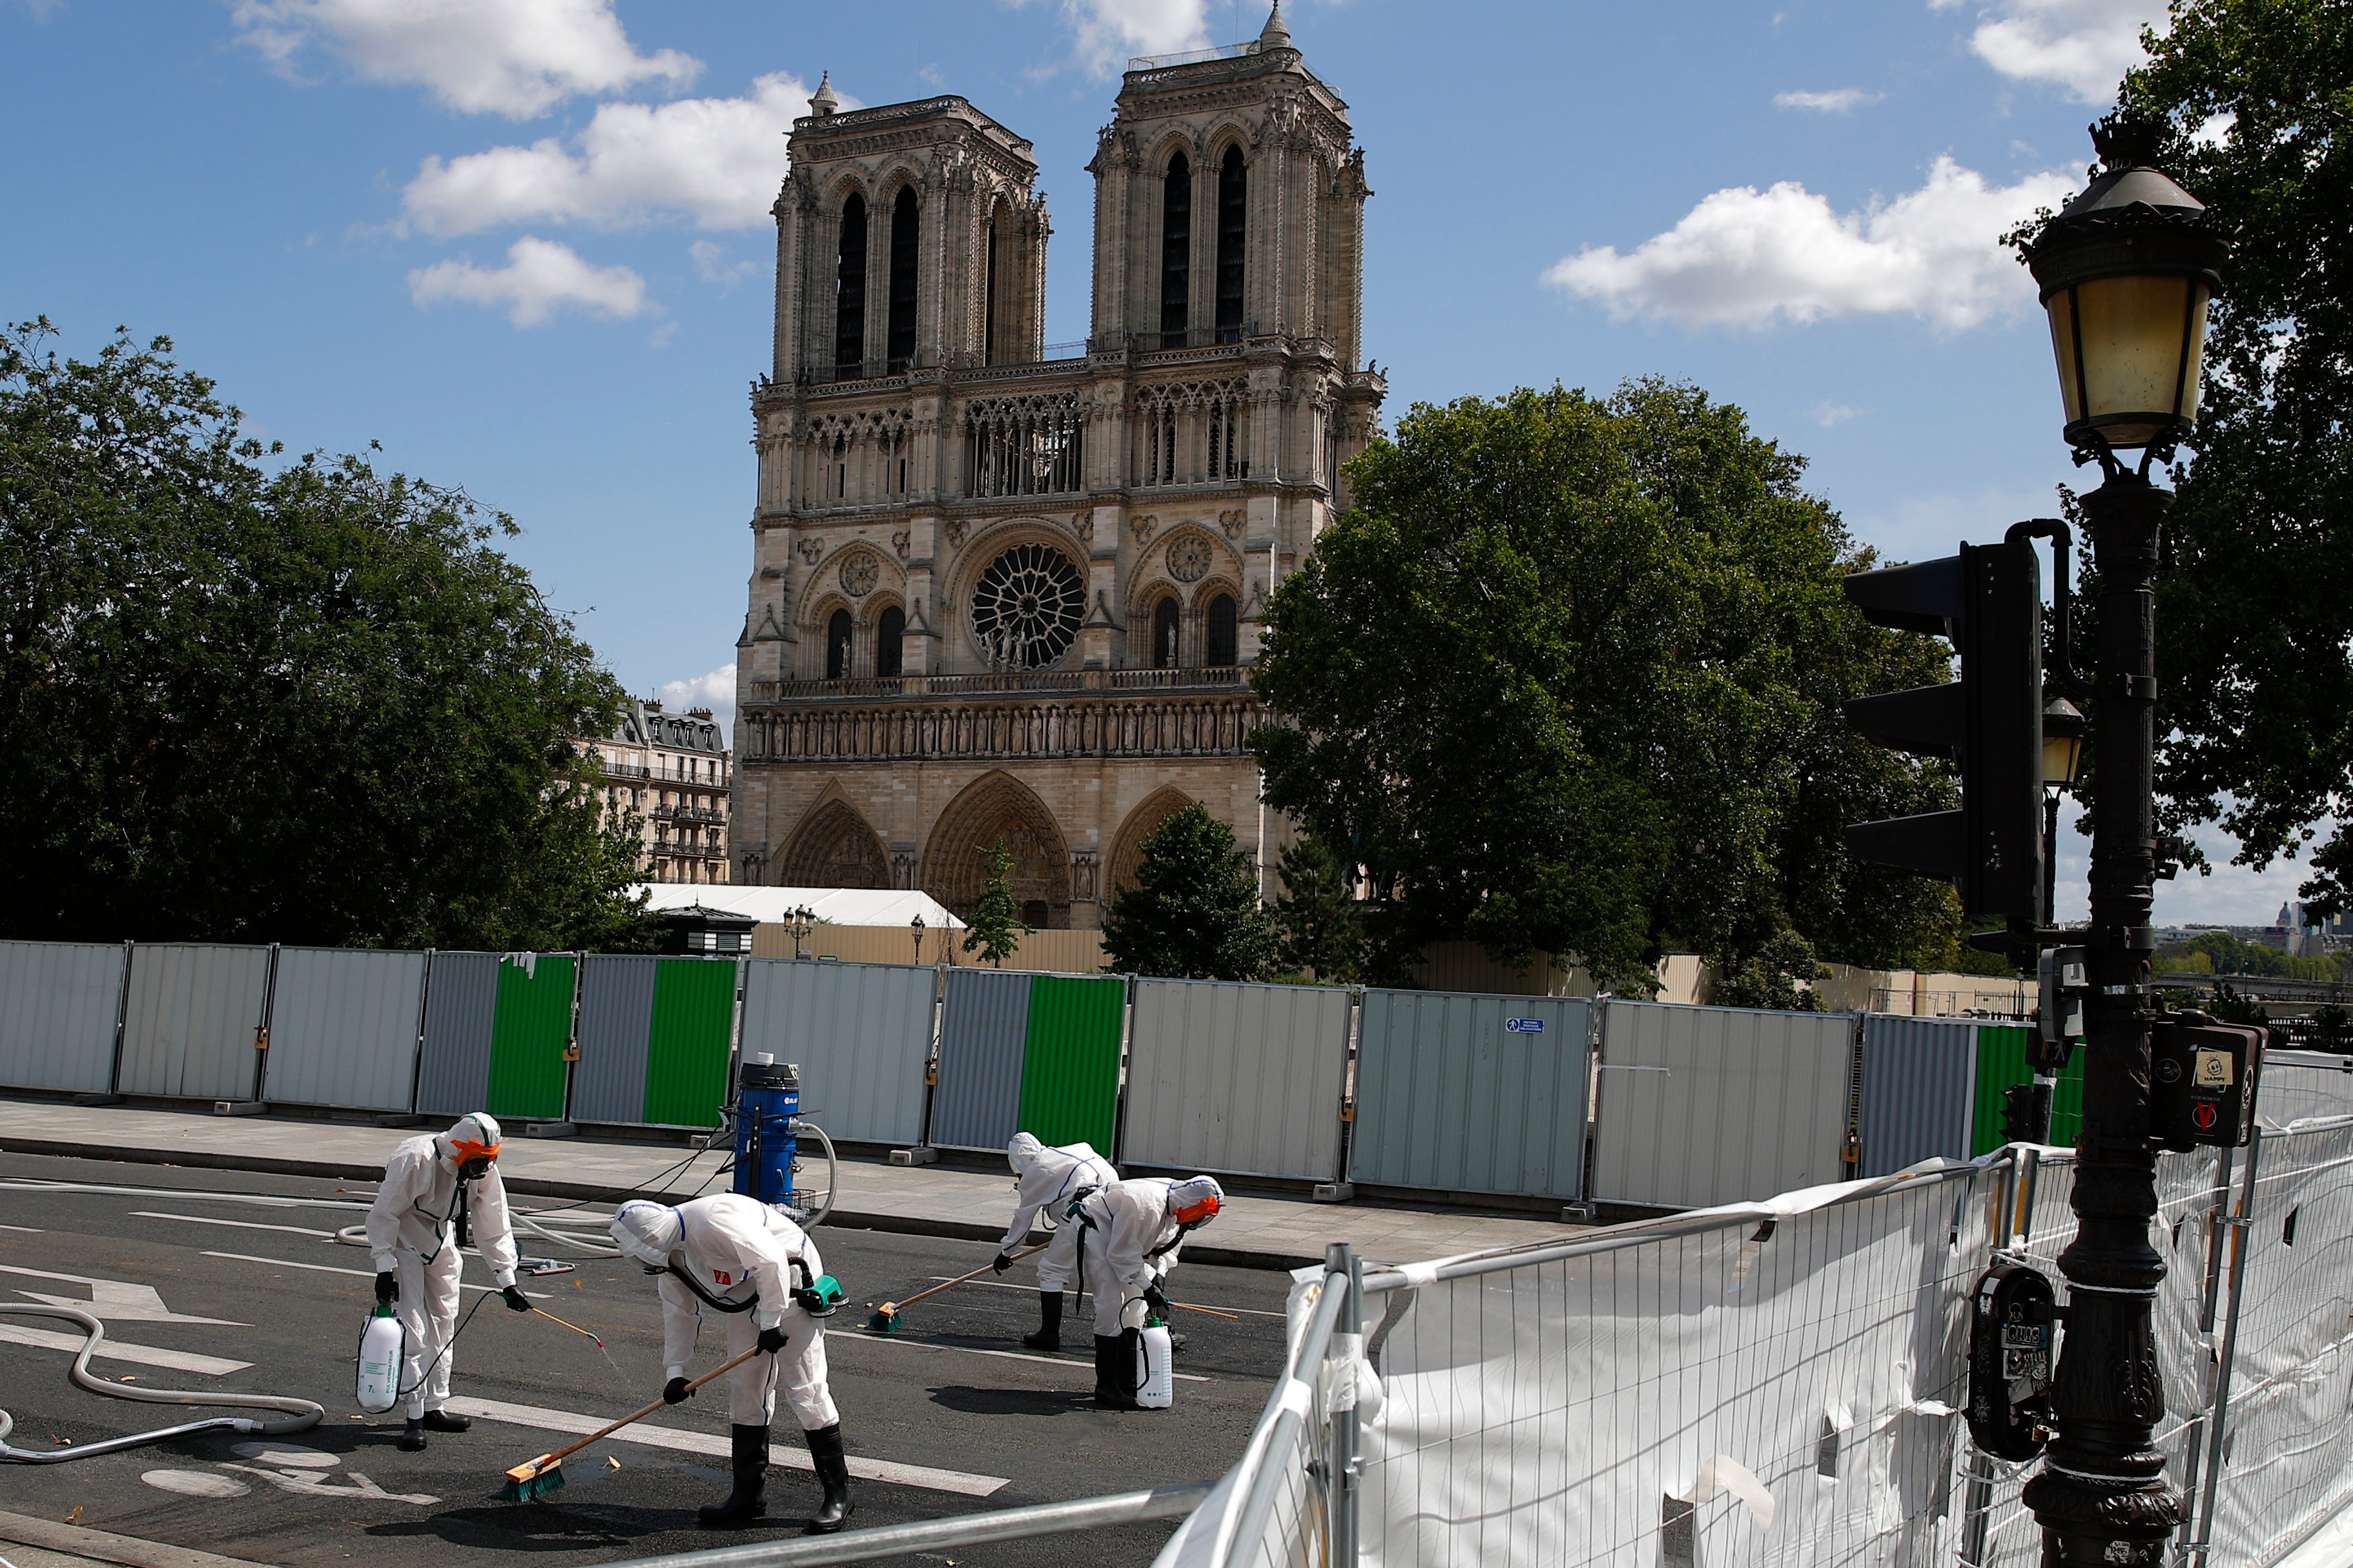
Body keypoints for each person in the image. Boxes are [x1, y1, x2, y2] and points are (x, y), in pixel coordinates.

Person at [610, 1195, 851, 1533]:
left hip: (791, 1279)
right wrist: (676, 1371)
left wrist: (770, 1324)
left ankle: (838, 1496)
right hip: (746, 1291)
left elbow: (771, 1263)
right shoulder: (671, 1257)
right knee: (744, 1384)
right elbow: (678, 1313)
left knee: (804, 1388)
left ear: (653, 1241)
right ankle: (748, 1496)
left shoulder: (713, 1221)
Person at [365, 1112, 531, 1452]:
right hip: (405, 1240)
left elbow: (493, 1220)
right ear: (458, 1149)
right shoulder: (416, 1158)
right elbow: (384, 1214)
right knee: (413, 1326)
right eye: (479, 1160)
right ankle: (412, 1414)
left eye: (490, 1159)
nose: (484, 1168)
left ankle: (433, 1407)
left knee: (444, 1321)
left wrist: (507, 1279)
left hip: (441, 1238)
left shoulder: (481, 1167)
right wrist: (384, 1267)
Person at [1071, 1174, 1223, 1409]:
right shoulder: (1148, 1206)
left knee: (1136, 1307)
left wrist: (1158, 1276)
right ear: (1193, 1203)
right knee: (1111, 1304)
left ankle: (1128, 1381)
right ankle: (1107, 1389)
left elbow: (1165, 1247)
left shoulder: (1176, 1208)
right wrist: (1147, 1286)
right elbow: (1120, 1255)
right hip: (1097, 1231)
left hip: (1119, 1238)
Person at [990, 1132, 1116, 1352]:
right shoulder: (1075, 1149)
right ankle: (1133, 1333)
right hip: (1114, 1214)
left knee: (1051, 1270)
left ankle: (1049, 1334)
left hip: (1081, 1218)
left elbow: (1023, 1219)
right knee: (1111, 1275)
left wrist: (1006, 1252)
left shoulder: (1039, 1169)